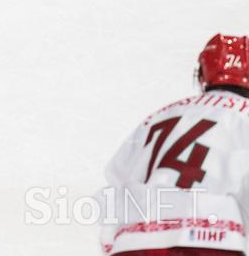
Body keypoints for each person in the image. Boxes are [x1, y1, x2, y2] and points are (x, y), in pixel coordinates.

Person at [99, 34, 249, 255]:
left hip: (135, 243)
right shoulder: (244, 116)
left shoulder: (158, 117)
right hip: (212, 242)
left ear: (202, 73)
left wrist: (114, 243)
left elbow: (117, 180)